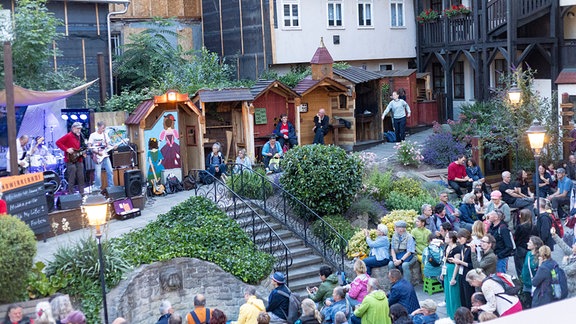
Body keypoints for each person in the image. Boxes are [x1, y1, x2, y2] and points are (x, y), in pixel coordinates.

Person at [56, 122, 85, 194]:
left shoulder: (80, 136)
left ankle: (82, 194)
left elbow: (82, 146)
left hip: (79, 159)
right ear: (73, 128)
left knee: (81, 177)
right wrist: (66, 149)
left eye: (80, 129)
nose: (79, 130)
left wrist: (83, 152)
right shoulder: (68, 136)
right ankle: (71, 194)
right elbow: (58, 142)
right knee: (72, 177)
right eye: (78, 128)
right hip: (70, 160)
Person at [88, 121, 116, 190]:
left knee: (110, 171)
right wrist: (96, 152)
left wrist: (113, 147)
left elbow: (108, 145)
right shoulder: (93, 135)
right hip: (97, 156)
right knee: (98, 174)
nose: (103, 129)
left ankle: (111, 187)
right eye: (102, 128)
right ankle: (97, 188)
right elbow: (89, 145)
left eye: (104, 128)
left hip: (105, 155)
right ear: (99, 127)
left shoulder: (105, 135)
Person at [487, 209, 515, 274]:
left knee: (500, 278)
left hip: (500, 258)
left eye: (491, 214)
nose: (489, 216)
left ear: (496, 218)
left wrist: (498, 256)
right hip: (493, 256)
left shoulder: (503, 229)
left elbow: (509, 246)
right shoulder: (491, 226)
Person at [452, 229, 474, 309]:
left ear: (465, 237)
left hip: (469, 274)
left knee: (468, 296)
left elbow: (474, 265)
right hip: (462, 274)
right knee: (462, 296)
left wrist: (460, 262)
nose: (458, 240)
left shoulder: (471, 248)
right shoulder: (462, 247)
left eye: (460, 238)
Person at [551, 226, 576, 297]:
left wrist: (564, 262)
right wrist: (555, 236)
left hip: (573, 290)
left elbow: (567, 270)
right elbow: (565, 247)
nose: (572, 245)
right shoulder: (573, 253)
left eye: (575, 245)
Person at [442, 231, 461, 319]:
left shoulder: (457, 249)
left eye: (446, 237)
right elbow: (445, 260)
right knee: (447, 292)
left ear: (451, 239)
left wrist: (453, 278)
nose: (445, 238)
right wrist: (442, 272)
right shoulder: (447, 247)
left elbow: (457, 264)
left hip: (452, 270)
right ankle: (449, 312)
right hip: (446, 269)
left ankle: (455, 313)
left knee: (453, 293)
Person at [521, 236, 544, 309]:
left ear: (535, 245)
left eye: (530, 242)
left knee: (534, 304)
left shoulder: (539, 257)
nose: (527, 243)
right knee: (528, 302)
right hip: (526, 283)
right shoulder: (528, 254)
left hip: (534, 285)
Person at [514, 209, 533, 279]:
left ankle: (521, 282)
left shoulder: (520, 227)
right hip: (528, 248)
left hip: (519, 248)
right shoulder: (532, 226)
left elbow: (516, 237)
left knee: (519, 268)